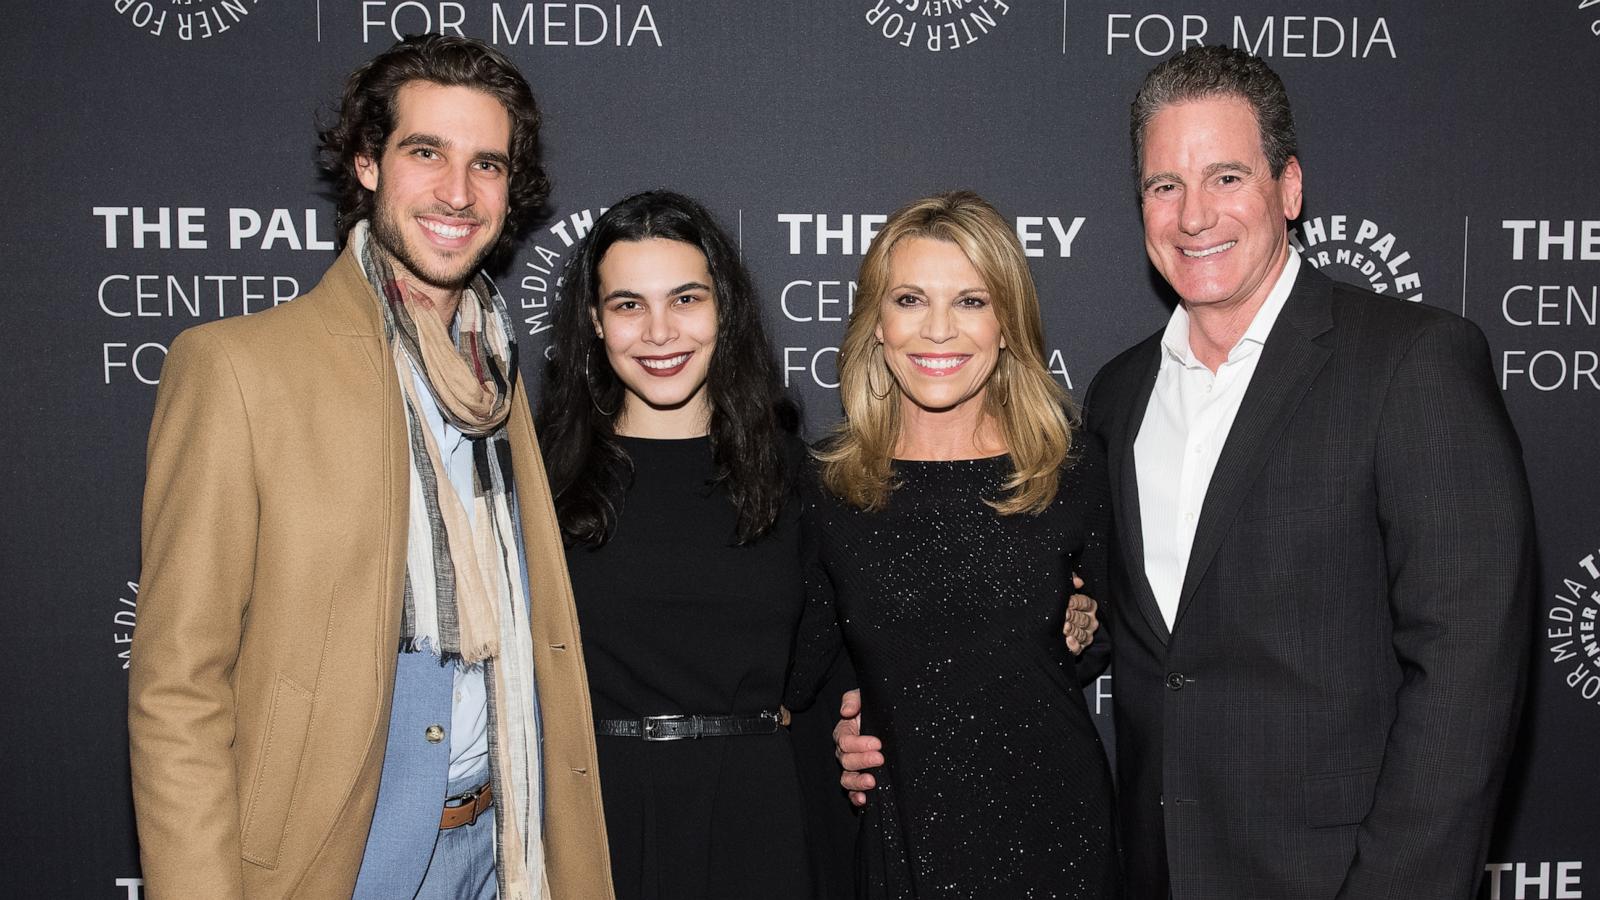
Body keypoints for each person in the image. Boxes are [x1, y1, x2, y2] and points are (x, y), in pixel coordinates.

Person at [839, 46, 1536, 899]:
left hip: (1339, 877)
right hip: (1149, 870)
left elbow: (1466, 677)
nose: (1194, 215)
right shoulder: (1120, 395)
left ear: (1289, 188)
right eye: (1165, 185)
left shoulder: (1410, 363)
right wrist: (876, 713)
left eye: (1226, 177)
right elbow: (1075, 624)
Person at [128, 35, 612, 899]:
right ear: (366, 163)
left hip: (504, 848)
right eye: (425, 152)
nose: (458, 194)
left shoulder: (494, 375)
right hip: (339, 859)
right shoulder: (239, 367)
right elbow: (178, 687)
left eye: (487, 165)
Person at [791, 191, 1118, 898]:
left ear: (1007, 324)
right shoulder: (830, 488)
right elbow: (803, 675)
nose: (938, 331)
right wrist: (839, 736)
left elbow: (1103, 632)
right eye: (910, 299)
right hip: (902, 838)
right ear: (877, 324)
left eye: (970, 301)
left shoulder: (1071, 469)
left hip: (1058, 837)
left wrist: (1083, 622)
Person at [535, 189, 815, 898]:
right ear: (595, 323)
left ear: (724, 308)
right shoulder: (539, 477)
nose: (660, 332)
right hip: (592, 816)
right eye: (629, 305)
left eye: (685, 299)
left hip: (758, 818)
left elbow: (854, 642)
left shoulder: (795, 474)